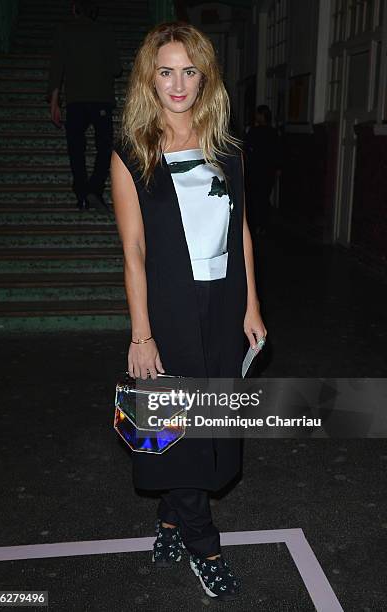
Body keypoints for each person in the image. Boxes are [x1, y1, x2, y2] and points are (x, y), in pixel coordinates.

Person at [111, 22, 267, 601]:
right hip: (170, 307)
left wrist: (251, 302)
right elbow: (134, 249)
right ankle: (205, 546)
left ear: (206, 76)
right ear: (150, 78)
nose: (179, 83)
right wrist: (141, 333)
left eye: (190, 70)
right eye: (166, 70)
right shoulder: (133, 151)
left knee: (214, 424)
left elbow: (241, 227)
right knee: (180, 431)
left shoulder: (226, 145)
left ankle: (173, 519)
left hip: (223, 301)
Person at [47, 0, 122, 212]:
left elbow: (56, 67)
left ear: (74, 9)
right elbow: (116, 69)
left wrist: (54, 102)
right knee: (104, 147)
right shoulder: (105, 31)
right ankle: (95, 188)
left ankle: (81, 194)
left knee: (76, 149)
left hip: (75, 101)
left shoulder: (64, 31)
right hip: (101, 99)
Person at [243, 105, 282, 235]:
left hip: (257, 168)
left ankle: (257, 224)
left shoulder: (254, 131)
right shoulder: (273, 132)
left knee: (256, 197)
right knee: (263, 197)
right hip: (267, 169)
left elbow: (246, 147)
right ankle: (262, 224)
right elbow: (277, 152)